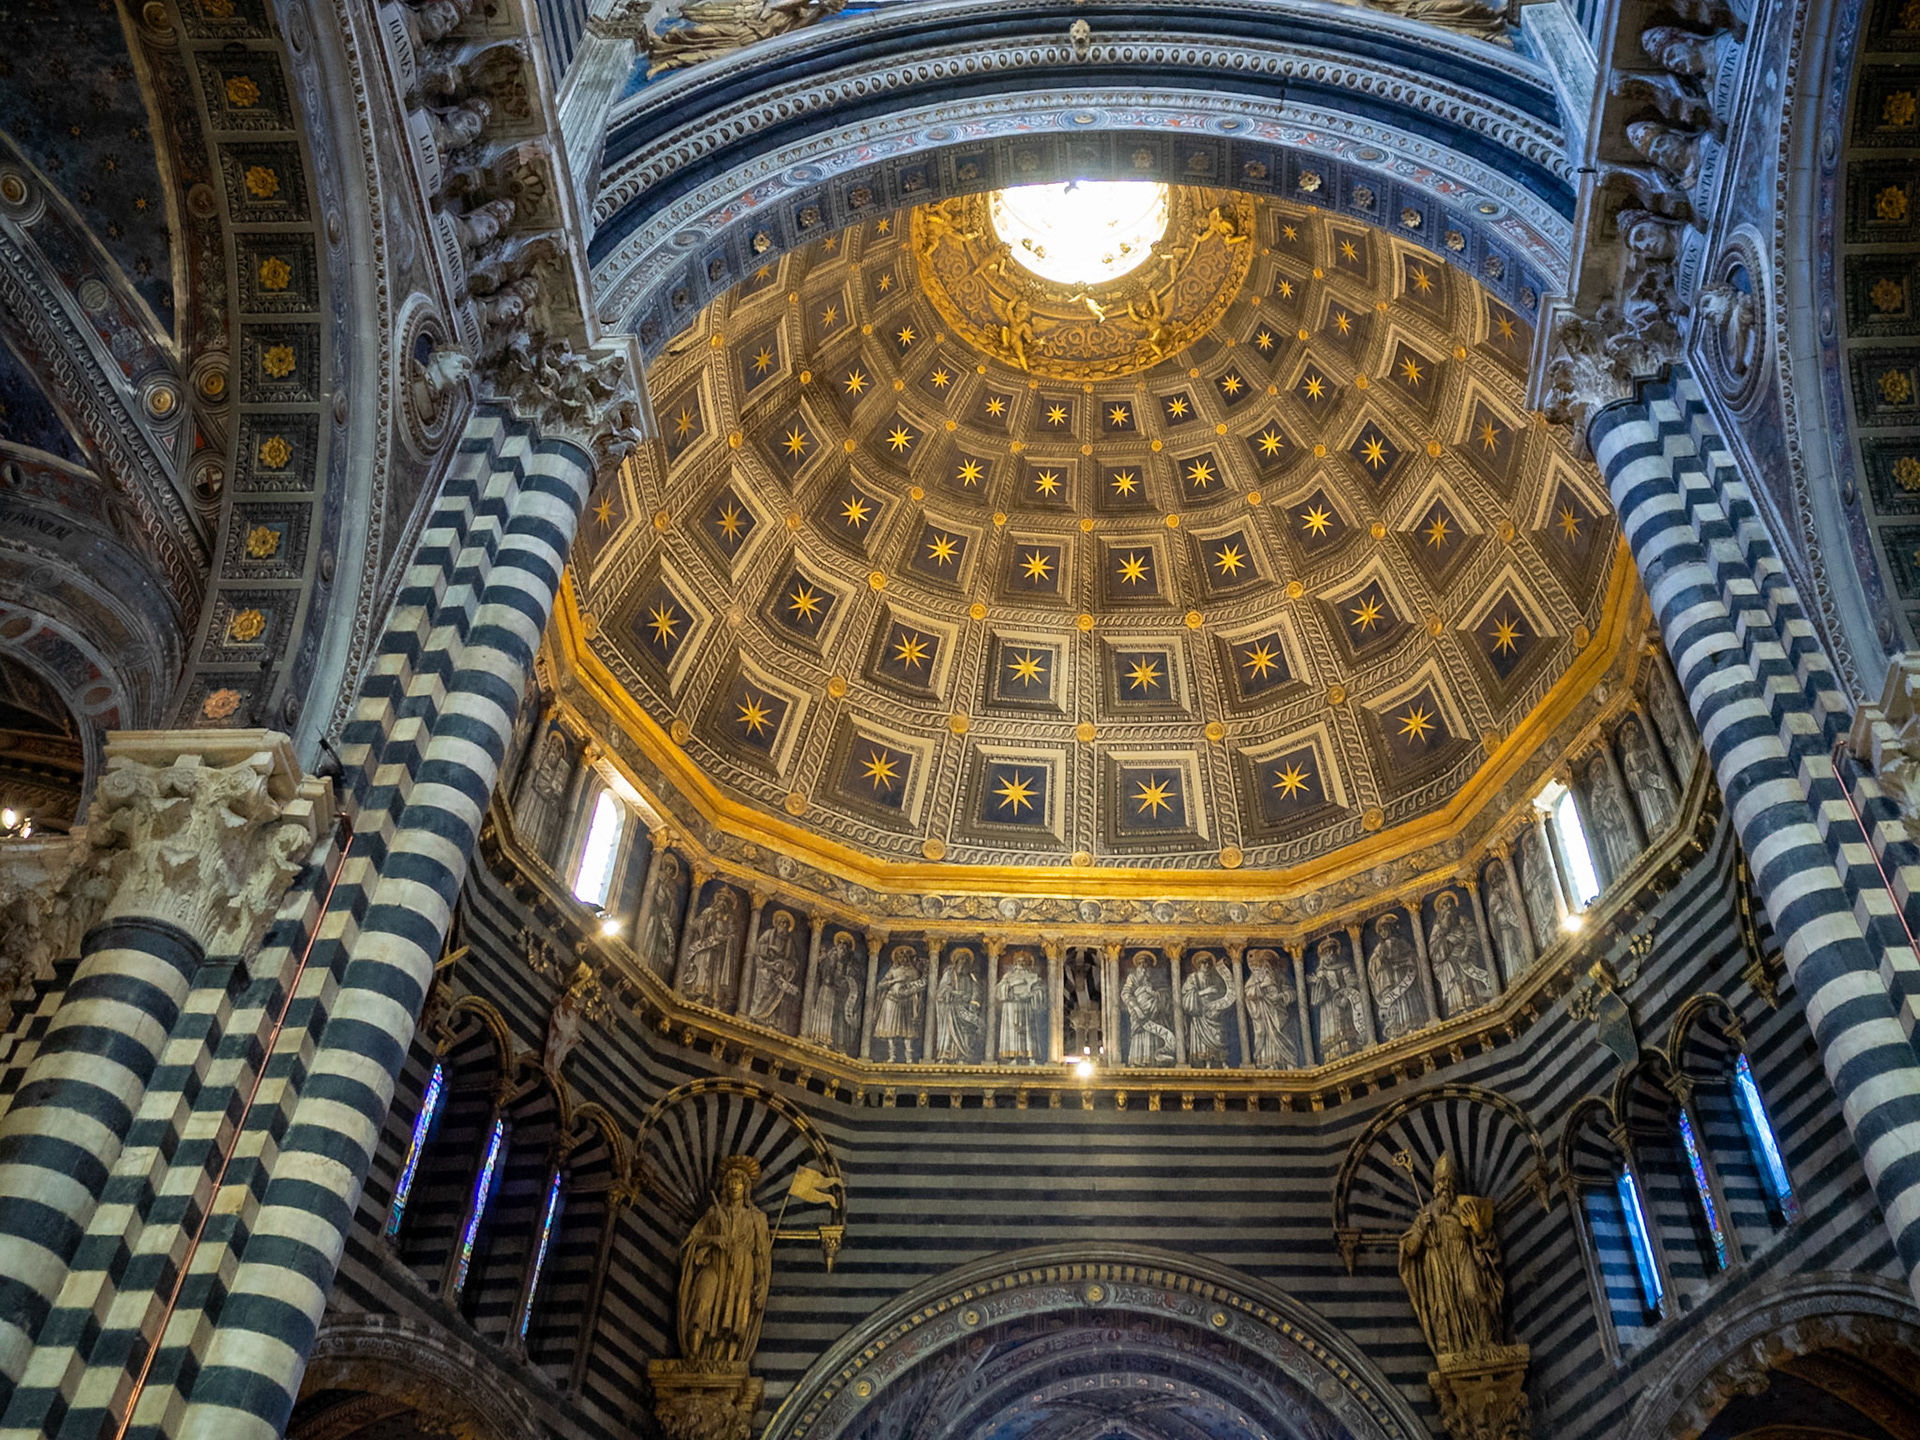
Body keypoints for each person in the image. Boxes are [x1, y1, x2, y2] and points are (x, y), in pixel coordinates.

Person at [1397, 1154, 1506, 1362]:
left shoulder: (1465, 1207)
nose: (1445, 1188)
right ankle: (1450, 1347)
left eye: (1449, 1184)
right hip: (1439, 1265)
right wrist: (1420, 1230)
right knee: (1443, 1309)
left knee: (1475, 1294)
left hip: (1464, 1256)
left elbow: (1486, 1242)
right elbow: (1409, 1251)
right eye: (1441, 1184)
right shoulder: (1426, 1213)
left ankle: (1486, 1340)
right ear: (1435, 1187)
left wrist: (1478, 1229)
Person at [677, 1156, 772, 1366]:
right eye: (730, 1181)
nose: (733, 1186)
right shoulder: (713, 1214)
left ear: (746, 1187)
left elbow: (760, 1254)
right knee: (703, 1301)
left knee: (733, 1314)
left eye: (738, 1182)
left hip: (741, 1268)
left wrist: (761, 1282)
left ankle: (726, 1361)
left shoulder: (756, 1218)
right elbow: (691, 1242)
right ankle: (694, 1354)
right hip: (714, 1265)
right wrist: (712, 1239)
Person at [1121, 952, 1175, 1065]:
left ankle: (1156, 1060)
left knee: (1154, 1036)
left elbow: (1166, 994)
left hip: (1156, 1015)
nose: (1144, 967)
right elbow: (1126, 994)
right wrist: (1137, 1008)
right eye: (1141, 964)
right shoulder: (1133, 978)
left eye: (1147, 964)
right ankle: (1139, 1060)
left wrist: (1157, 996)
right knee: (1141, 1036)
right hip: (1140, 1014)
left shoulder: (1157, 980)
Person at [935, 948, 984, 1062]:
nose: (964, 962)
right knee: (948, 1033)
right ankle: (945, 1056)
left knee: (967, 1031)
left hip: (966, 1009)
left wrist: (973, 1003)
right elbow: (942, 990)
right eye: (961, 959)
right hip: (950, 1009)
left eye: (966, 960)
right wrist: (953, 993)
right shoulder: (949, 974)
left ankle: (963, 1057)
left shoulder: (971, 978)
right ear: (956, 962)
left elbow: (977, 991)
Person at [996, 952, 1046, 1063]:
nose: (1021, 963)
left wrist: (1033, 994)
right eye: (1019, 961)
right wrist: (1013, 985)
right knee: (1013, 1031)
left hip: (1027, 1007)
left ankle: (1030, 1056)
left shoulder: (1033, 976)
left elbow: (1040, 991)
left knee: (1028, 1031)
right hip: (1012, 1006)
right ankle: (1013, 1056)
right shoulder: (1009, 976)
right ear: (1015, 963)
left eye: (1024, 961)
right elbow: (1000, 990)